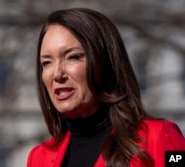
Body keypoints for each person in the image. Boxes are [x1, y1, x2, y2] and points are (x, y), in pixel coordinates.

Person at [27, 8, 185, 167]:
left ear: (105, 63)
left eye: (73, 57)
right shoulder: (39, 157)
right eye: (47, 63)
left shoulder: (159, 136)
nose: (57, 74)